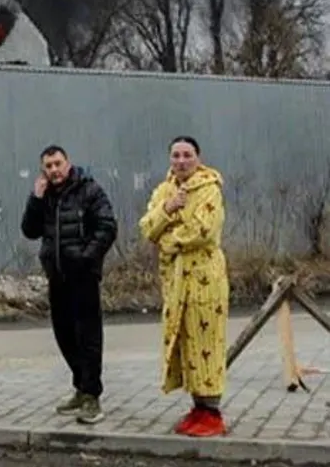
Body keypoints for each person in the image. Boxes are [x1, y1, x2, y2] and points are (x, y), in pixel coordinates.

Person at [138, 136, 229, 438]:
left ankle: (212, 410)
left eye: (187, 155)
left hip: (204, 280)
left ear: (198, 158)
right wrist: (167, 209)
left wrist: (169, 241)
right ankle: (198, 406)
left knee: (206, 342)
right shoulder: (165, 190)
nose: (181, 161)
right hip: (176, 282)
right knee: (184, 342)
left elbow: (202, 230)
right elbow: (147, 226)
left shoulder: (209, 189)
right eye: (175, 155)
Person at [20, 144, 118, 424]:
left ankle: (92, 397)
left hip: (83, 276)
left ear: (68, 163)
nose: (54, 170)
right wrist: (35, 199)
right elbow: (29, 230)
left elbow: (107, 226)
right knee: (64, 334)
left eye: (57, 164)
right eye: (48, 166)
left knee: (88, 337)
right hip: (57, 275)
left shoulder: (89, 190)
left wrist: (88, 257)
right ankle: (80, 387)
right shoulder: (46, 196)